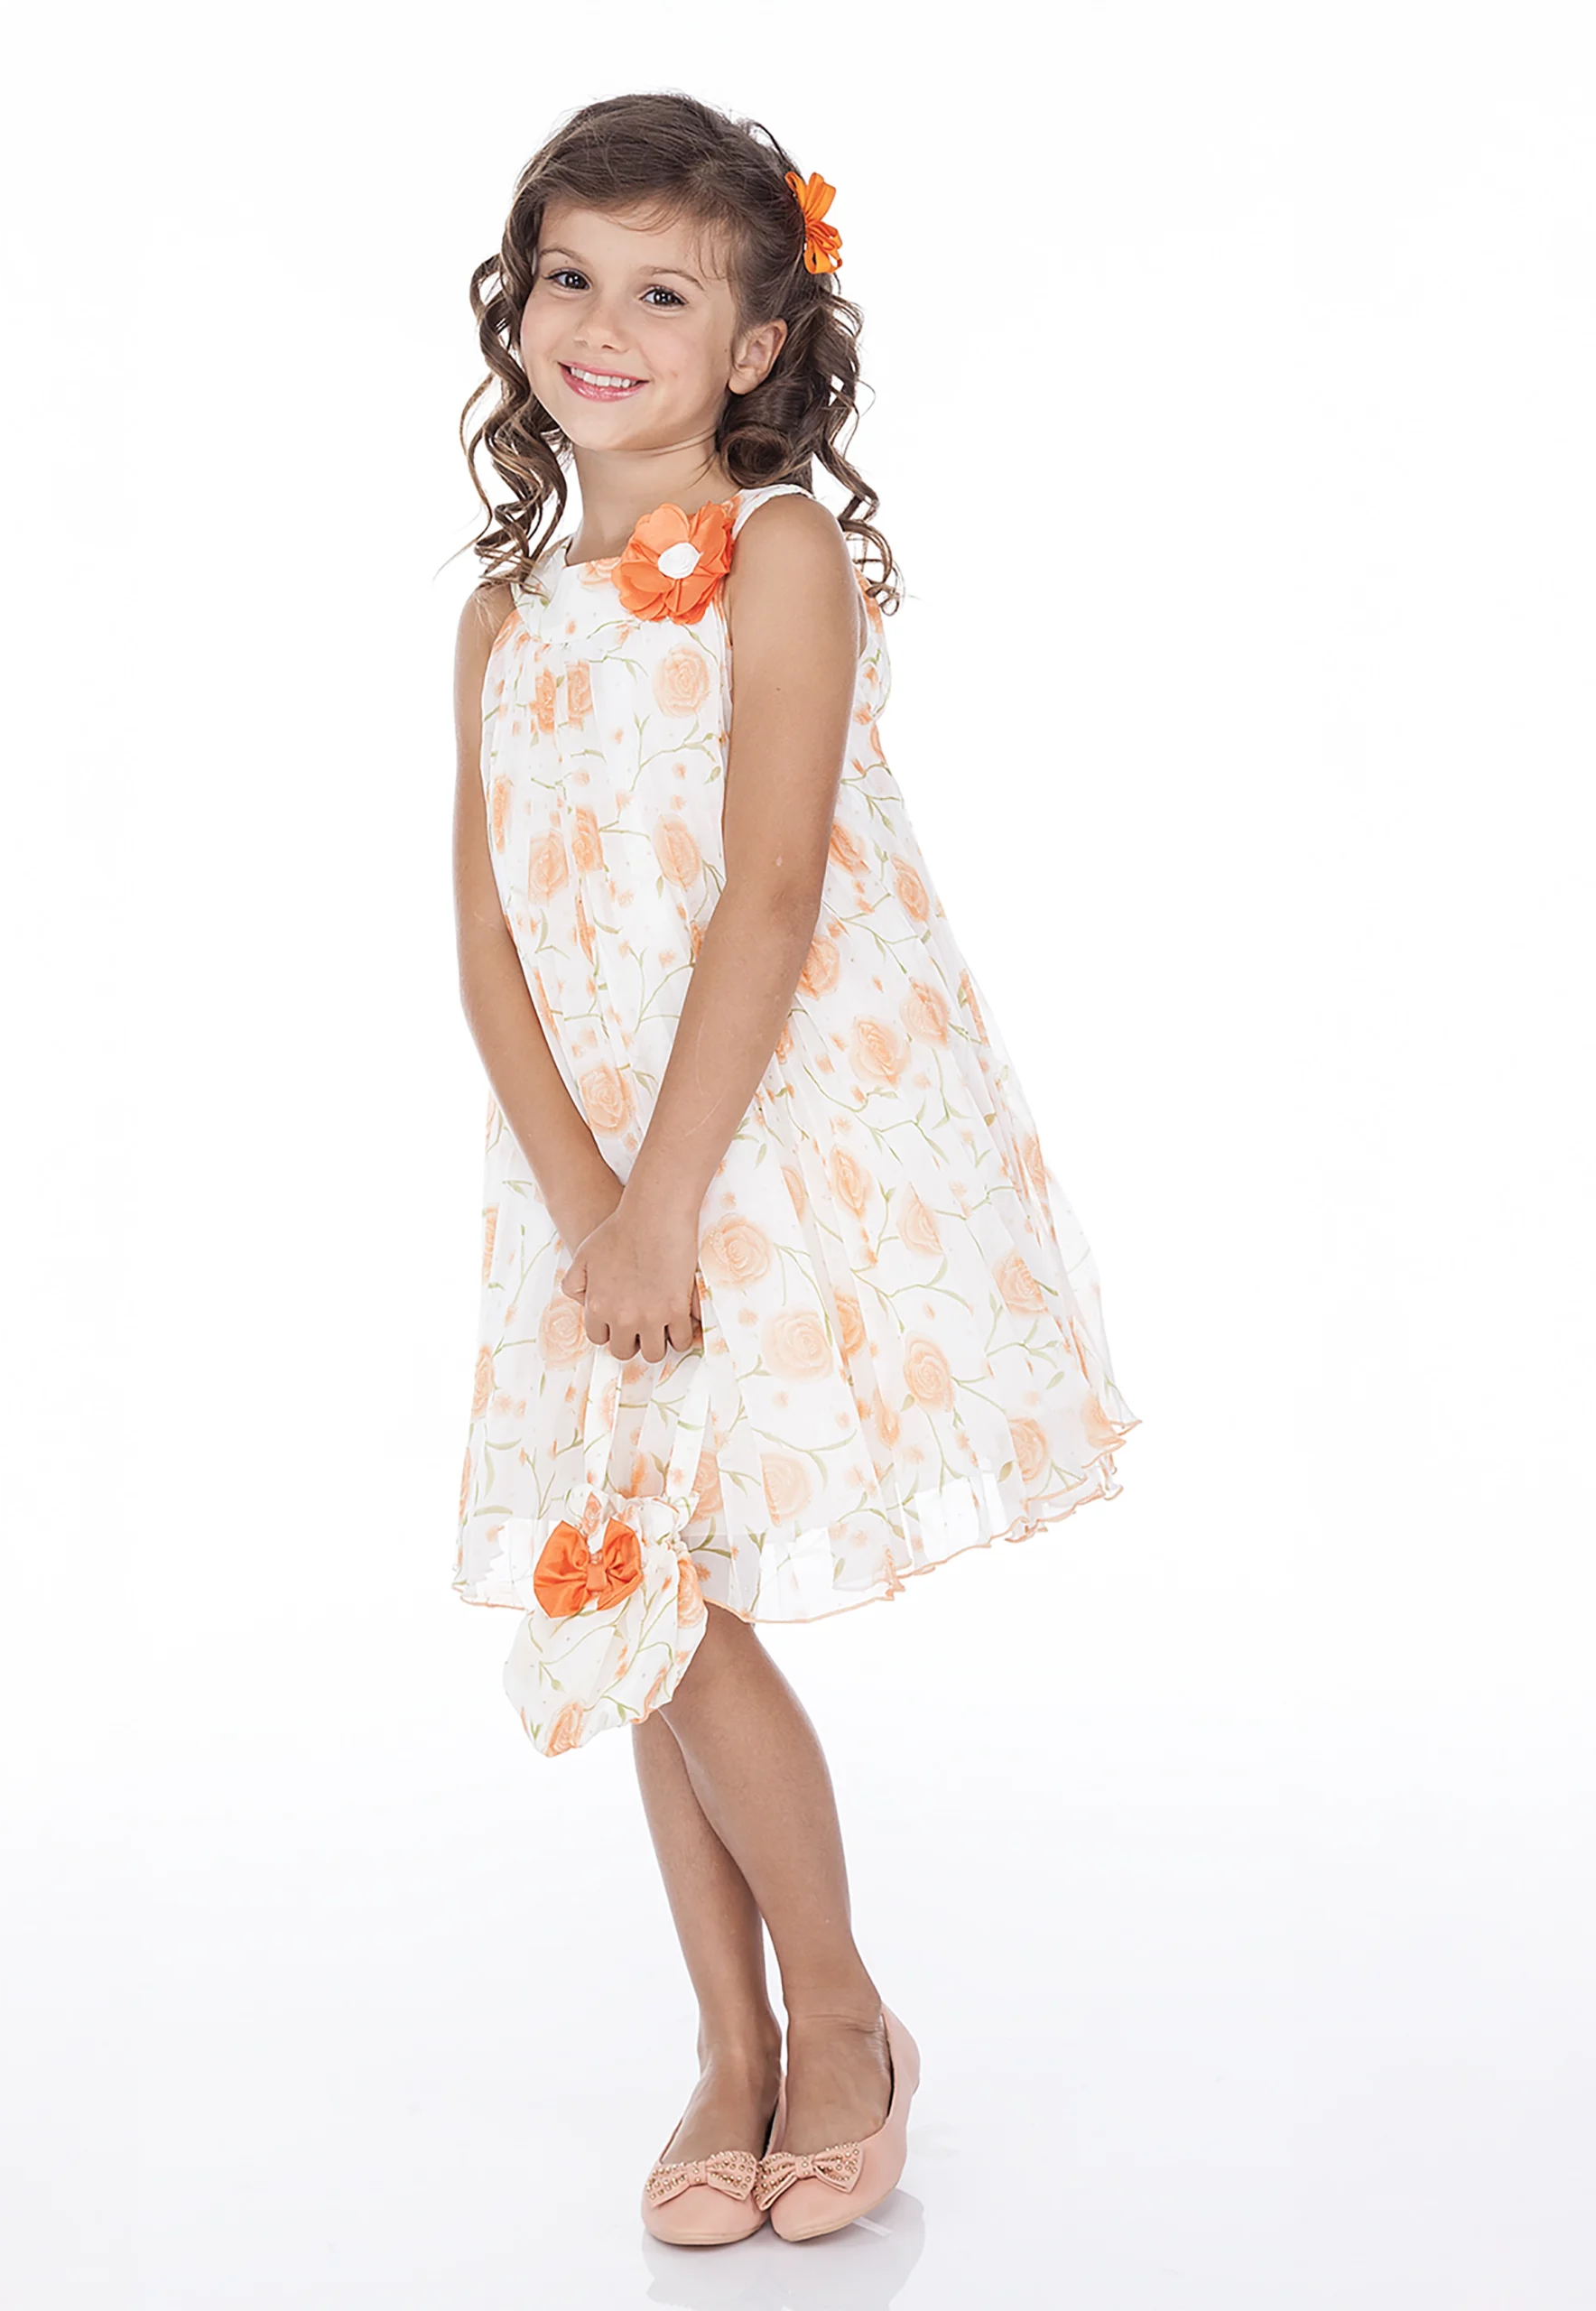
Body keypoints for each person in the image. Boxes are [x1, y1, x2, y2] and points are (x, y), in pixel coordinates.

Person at [448, 91, 1142, 2246]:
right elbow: (483, 942)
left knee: (674, 1590)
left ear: (754, 344)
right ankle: (727, 2043)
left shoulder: (774, 558)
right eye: (568, 276)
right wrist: (583, 1207)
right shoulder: (500, 615)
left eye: (661, 292)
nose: (600, 325)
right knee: (645, 1588)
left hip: (749, 1147)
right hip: (583, 1184)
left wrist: (664, 1199)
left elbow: (767, 896)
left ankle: (836, 2020)